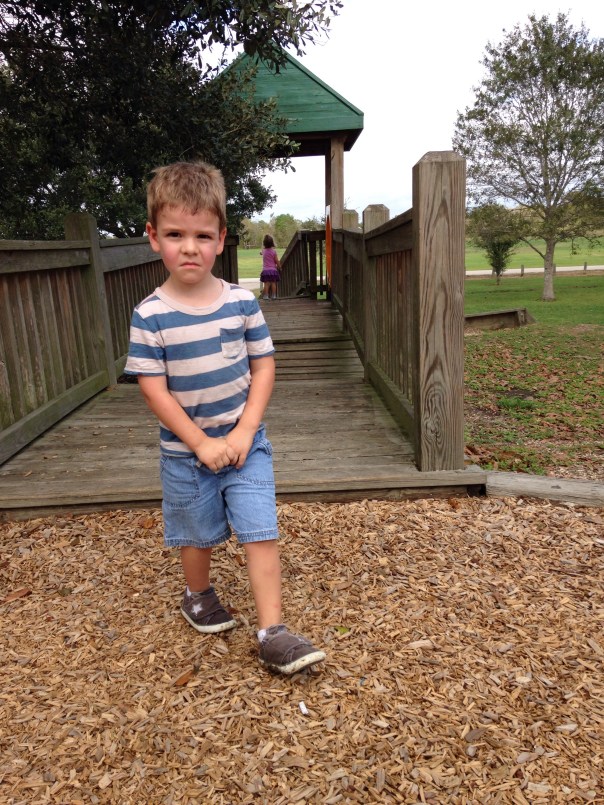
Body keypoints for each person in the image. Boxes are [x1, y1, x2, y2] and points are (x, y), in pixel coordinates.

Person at [124, 161, 325, 675]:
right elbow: (153, 389)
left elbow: (263, 366)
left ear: (220, 239)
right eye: (175, 234)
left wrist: (244, 430)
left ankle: (273, 633)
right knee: (197, 534)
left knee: (260, 529)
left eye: (202, 235)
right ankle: (197, 594)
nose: (189, 247)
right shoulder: (150, 315)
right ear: (154, 237)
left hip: (246, 445)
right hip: (185, 455)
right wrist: (200, 443)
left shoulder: (241, 303)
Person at [260, 234, 281, 300]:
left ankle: (266, 296)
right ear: (272, 243)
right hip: (273, 270)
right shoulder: (274, 251)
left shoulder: (263, 251)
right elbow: (276, 260)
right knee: (273, 283)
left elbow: (261, 252)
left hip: (266, 271)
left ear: (264, 243)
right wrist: (279, 266)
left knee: (266, 284)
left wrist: (261, 252)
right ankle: (274, 295)